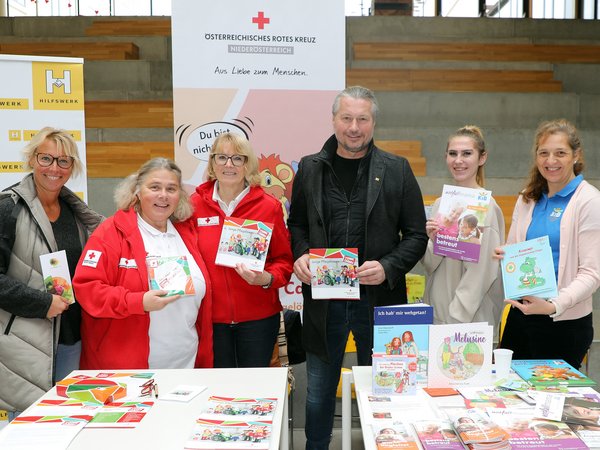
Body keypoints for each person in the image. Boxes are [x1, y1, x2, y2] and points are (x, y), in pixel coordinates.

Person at [287, 85, 428, 449]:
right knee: (318, 395)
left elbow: (415, 235)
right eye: (346, 118)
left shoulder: (397, 169)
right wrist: (301, 253)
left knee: (385, 390)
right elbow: (297, 224)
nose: (354, 127)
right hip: (324, 301)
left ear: (373, 122)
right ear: (334, 120)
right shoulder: (309, 168)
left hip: (379, 301)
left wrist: (388, 266)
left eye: (362, 119)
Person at [0, 127, 103, 416]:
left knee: (66, 424)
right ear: (32, 159)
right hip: (25, 344)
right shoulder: (8, 208)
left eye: (63, 161)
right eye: (46, 159)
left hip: (71, 339)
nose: (54, 168)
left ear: (72, 167)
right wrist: (43, 303)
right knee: (31, 429)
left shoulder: (76, 213)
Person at [72, 157, 213, 369]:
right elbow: (87, 289)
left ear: (180, 196)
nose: (163, 195)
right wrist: (138, 302)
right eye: (154, 187)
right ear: (137, 191)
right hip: (129, 370)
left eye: (171, 189)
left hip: (186, 364)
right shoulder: (111, 233)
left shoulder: (187, 234)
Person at [496, 119, 600, 369]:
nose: (550, 161)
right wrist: (506, 256)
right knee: (512, 397)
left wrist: (554, 305)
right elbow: (515, 250)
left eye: (560, 153)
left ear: (576, 156)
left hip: (564, 323)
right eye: (543, 153)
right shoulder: (527, 197)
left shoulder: (589, 201)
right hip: (520, 317)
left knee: (554, 404)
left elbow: (592, 273)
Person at [190, 133, 293, 368]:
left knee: (257, 391)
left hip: (258, 319)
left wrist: (266, 278)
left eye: (238, 158)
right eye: (222, 157)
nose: (229, 164)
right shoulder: (192, 206)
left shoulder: (269, 207)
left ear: (248, 164)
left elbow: (284, 261)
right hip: (210, 320)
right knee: (217, 392)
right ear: (212, 163)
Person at [422, 126, 505, 334]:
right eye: (453, 154)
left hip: (468, 322)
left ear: (482, 158)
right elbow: (430, 265)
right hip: (437, 316)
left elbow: (482, 274)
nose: (458, 160)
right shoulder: (441, 203)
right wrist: (432, 240)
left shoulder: (487, 206)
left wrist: (455, 319)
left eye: (467, 154)